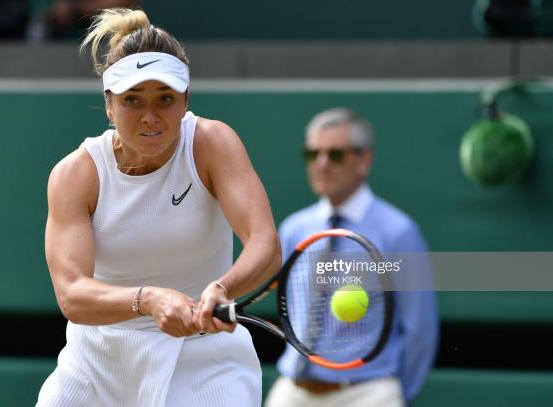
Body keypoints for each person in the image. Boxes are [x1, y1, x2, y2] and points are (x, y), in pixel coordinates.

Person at [36, 7, 281, 407]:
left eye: (165, 98)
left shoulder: (211, 143)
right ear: (109, 106)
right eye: (133, 100)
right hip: (97, 362)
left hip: (206, 359)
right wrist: (147, 300)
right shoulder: (75, 174)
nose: (150, 117)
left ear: (184, 100)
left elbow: (264, 243)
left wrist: (222, 288)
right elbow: (72, 295)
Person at [264, 108, 438, 407]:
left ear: (364, 161)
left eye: (335, 155)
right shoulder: (294, 229)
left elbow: (420, 329)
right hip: (292, 391)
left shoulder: (398, 232)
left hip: (367, 394)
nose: (321, 164)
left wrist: (390, 395)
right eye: (312, 154)